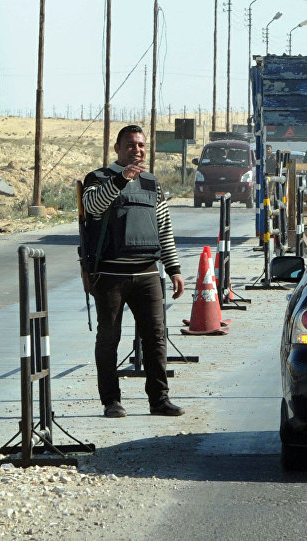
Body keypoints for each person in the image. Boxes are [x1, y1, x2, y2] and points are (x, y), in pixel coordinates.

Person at [81, 125, 186, 418]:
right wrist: (120, 180)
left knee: (155, 338)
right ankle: (111, 401)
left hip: (148, 273)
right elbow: (92, 207)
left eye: (140, 145)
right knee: (109, 338)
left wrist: (174, 269)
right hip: (110, 275)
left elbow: (164, 229)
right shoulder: (98, 178)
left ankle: (159, 400)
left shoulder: (153, 183)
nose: (137, 150)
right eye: (130, 145)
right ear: (117, 148)